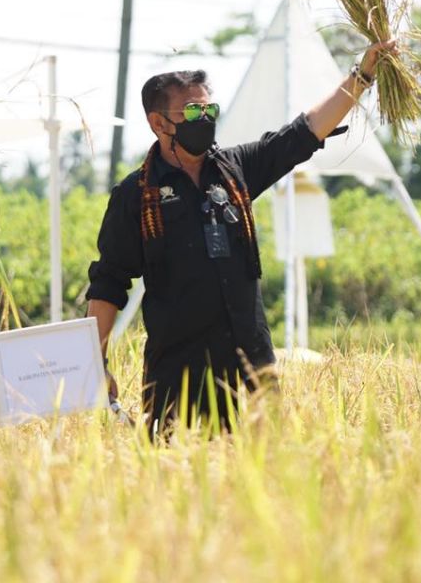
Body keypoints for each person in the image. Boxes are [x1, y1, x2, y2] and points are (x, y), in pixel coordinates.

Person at [85, 40, 392, 436]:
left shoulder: (235, 170)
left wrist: (362, 75)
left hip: (252, 371)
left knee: (267, 481)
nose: (206, 118)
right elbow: (109, 283)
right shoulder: (135, 196)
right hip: (178, 377)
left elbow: (302, 134)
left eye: (210, 109)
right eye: (193, 111)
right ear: (158, 123)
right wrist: (96, 364)